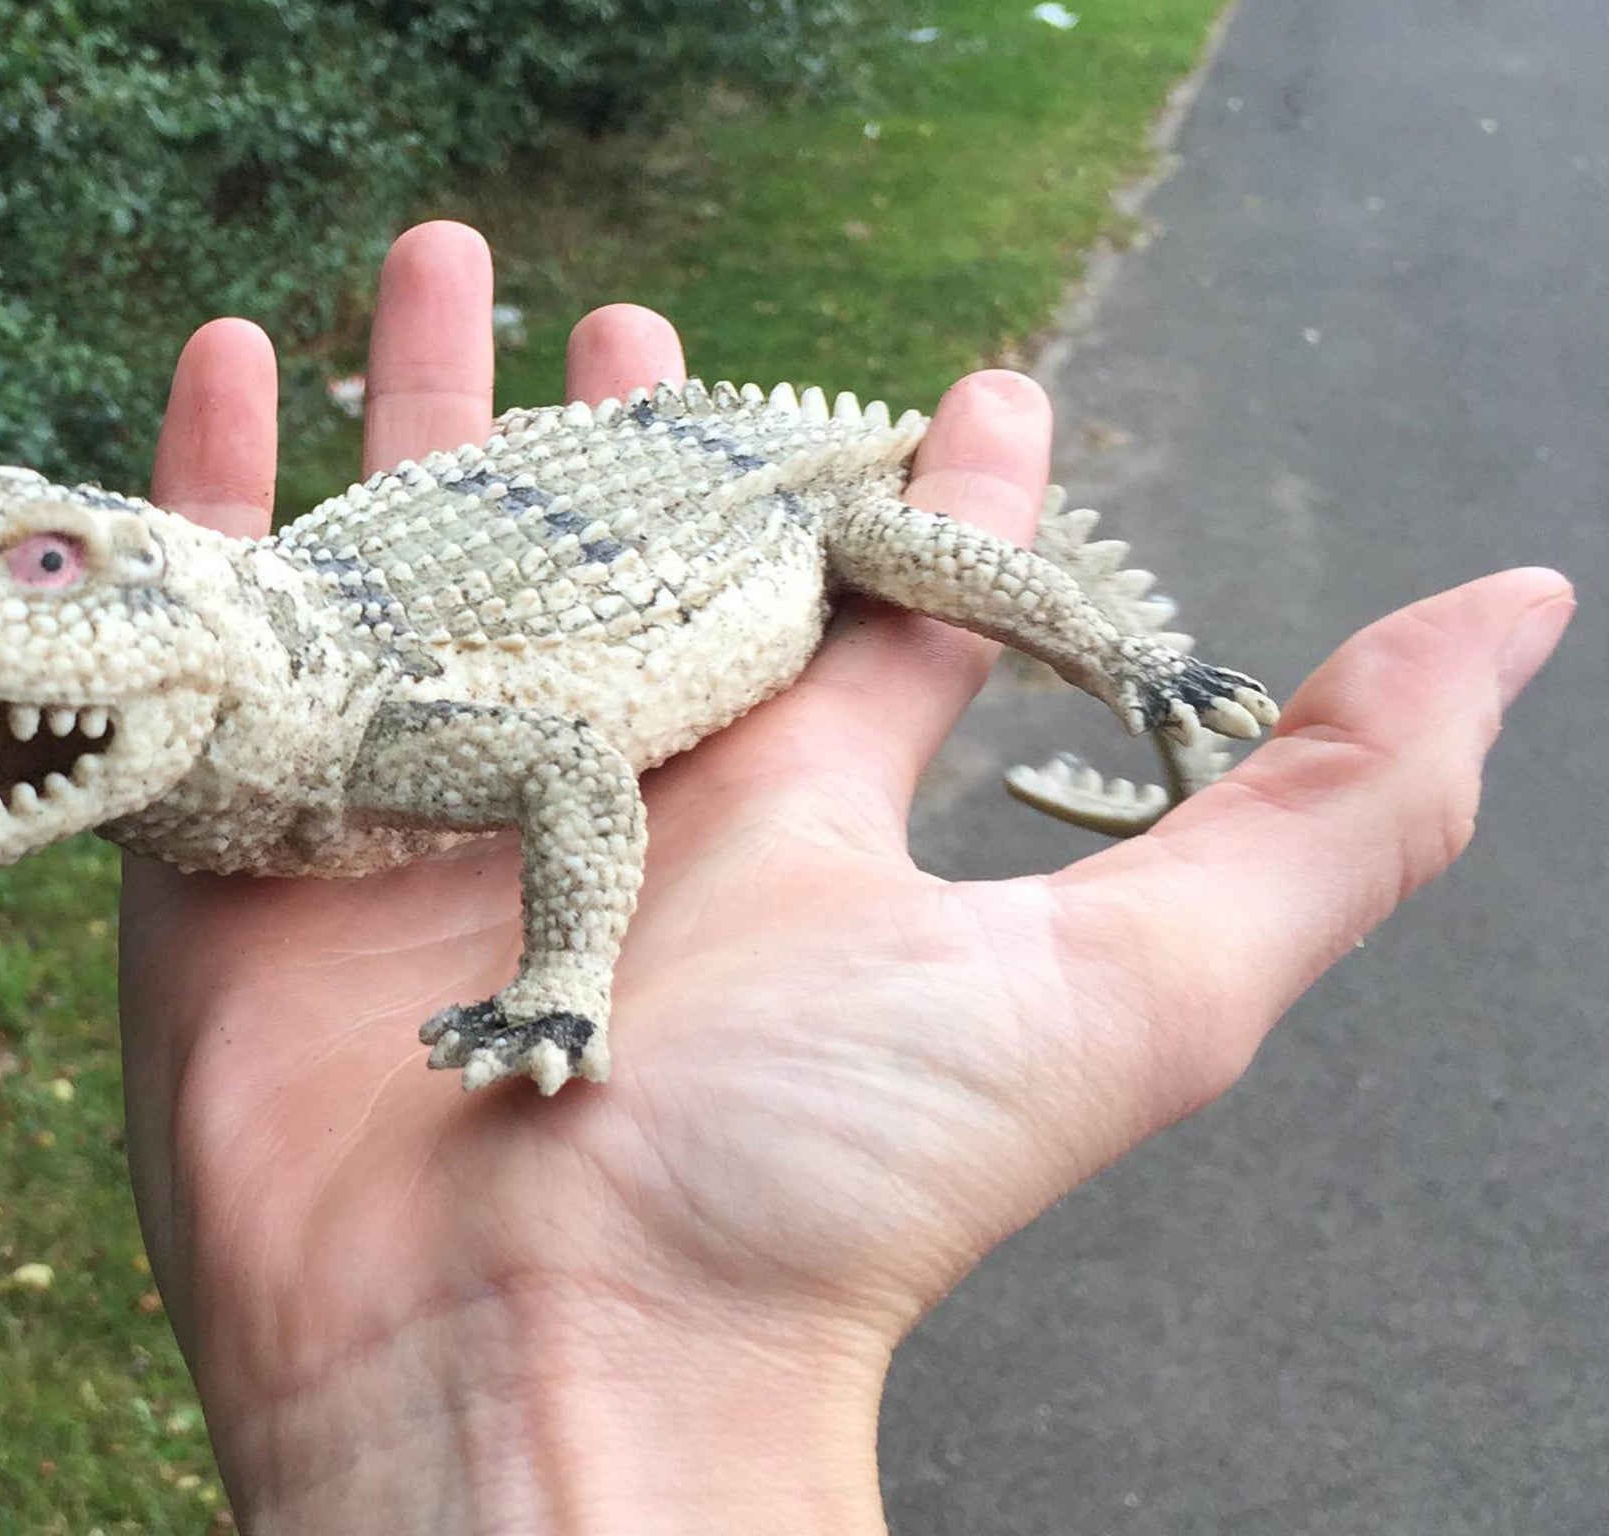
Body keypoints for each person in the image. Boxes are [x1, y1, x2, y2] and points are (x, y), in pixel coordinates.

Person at [116, 221, 1572, 1530]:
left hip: (748, 495)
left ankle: (1145, 674)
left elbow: (569, 764)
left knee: (934, 562)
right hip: (522, 560)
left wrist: (1136, 661)